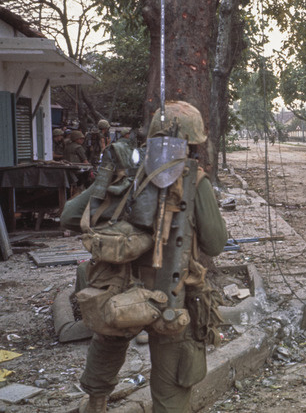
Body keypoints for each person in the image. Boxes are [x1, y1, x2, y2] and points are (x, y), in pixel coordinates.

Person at [62, 101, 227, 413]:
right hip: (171, 297)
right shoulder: (196, 181)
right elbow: (216, 243)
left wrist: (109, 194)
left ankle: (96, 402)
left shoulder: (127, 177)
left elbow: (70, 217)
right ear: (193, 143)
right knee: (171, 390)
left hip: (118, 291)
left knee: (108, 344)